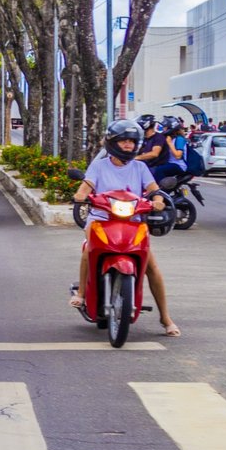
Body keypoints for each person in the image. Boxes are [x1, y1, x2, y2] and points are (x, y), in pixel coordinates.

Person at [70, 119, 180, 337]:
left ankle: (165, 317)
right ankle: (82, 294)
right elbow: (86, 186)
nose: (128, 145)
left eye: (132, 141)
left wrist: (158, 199)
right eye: (124, 141)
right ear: (112, 142)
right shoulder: (99, 166)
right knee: (87, 250)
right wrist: (81, 196)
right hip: (100, 219)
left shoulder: (140, 167)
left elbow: (153, 190)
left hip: (133, 222)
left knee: (152, 267)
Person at [152, 116, 188, 182]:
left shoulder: (179, 139)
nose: (163, 129)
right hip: (170, 163)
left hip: (179, 165)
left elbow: (178, 156)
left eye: (165, 128)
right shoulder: (170, 138)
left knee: (159, 170)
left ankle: (160, 190)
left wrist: (169, 143)